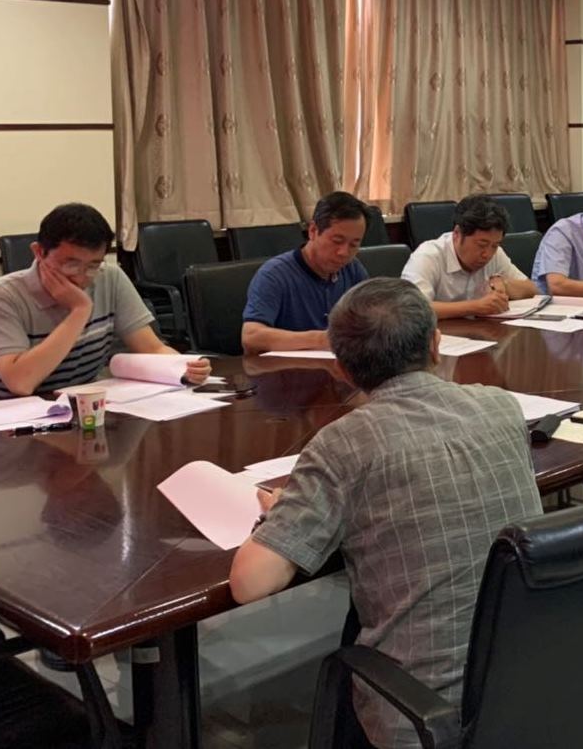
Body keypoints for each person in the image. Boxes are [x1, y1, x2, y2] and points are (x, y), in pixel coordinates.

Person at [229, 278, 541, 749]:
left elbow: (250, 582)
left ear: (340, 369)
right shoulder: (501, 406)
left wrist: (284, 513)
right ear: (435, 344)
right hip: (527, 683)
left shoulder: (344, 443)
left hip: (424, 716)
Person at [0, 203, 210, 402]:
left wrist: (183, 367)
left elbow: (152, 348)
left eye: (93, 265)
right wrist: (79, 310)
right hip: (3, 418)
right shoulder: (0, 295)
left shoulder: (110, 278)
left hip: (78, 406)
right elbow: (20, 383)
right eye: (71, 264)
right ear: (39, 252)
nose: (81, 277)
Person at [241, 191, 370, 355]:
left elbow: (371, 320)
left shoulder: (352, 269)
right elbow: (251, 337)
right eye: (337, 241)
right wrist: (321, 340)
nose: (344, 252)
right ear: (313, 230)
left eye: (354, 245)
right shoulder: (274, 274)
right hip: (286, 369)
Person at [401, 195, 539, 318]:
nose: (487, 254)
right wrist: (475, 307)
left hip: (481, 333)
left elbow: (532, 289)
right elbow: (413, 310)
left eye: (494, 245)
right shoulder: (427, 257)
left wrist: (505, 284)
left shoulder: (496, 253)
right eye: (481, 244)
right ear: (457, 234)